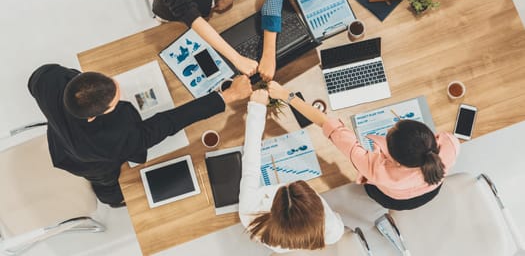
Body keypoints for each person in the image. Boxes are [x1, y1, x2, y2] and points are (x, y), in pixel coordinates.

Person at [28, 64, 252, 207]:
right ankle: (113, 200)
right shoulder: (114, 141)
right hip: (89, 163)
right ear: (93, 117)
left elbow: (34, 81)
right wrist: (228, 96)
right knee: (108, 183)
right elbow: (167, 123)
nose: (120, 90)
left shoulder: (48, 79)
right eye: (115, 101)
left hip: (59, 138)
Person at [267, 81, 461, 210]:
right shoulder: (450, 145)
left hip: (391, 199)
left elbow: (327, 124)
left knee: (372, 190)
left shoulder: (375, 169)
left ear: (395, 161)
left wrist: (286, 95)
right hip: (430, 193)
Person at [238, 89, 344, 252]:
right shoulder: (332, 229)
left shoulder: (249, 211)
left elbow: (250, 164)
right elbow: (335, 227)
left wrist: (257, 108)